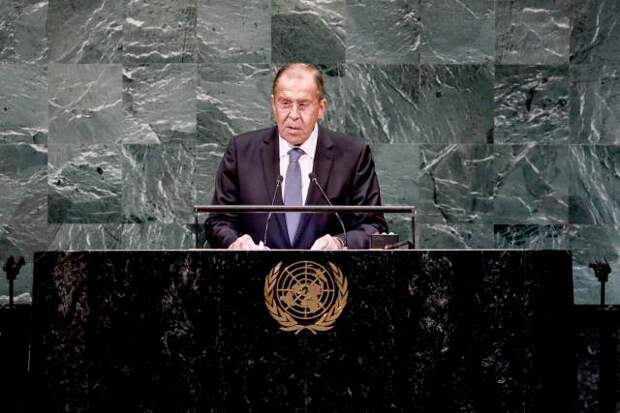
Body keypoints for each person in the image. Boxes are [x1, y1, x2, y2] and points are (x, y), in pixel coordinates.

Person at [205, 63, 387, 250]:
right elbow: (218, 221)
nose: (293, 115)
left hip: (328, 268)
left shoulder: (353, 155)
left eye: (303, 105)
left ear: (321, 108)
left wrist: (340, 242)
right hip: (256, 268)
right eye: (285, 103)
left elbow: (374, 227)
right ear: (273, 104)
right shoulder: (242, 152)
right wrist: (235, 242)